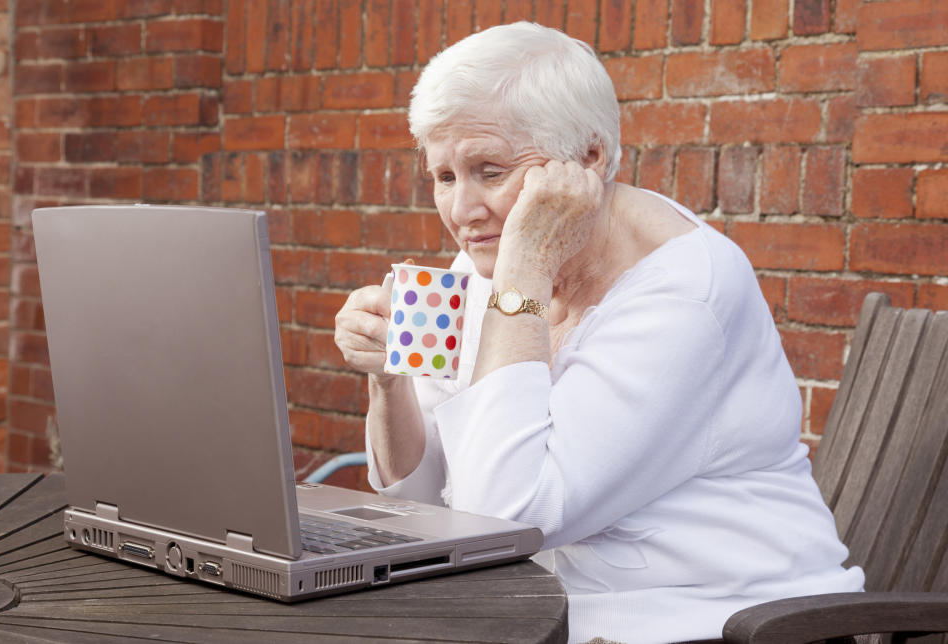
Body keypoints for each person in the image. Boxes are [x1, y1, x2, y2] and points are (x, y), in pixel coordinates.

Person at [333, 21, 863, 644]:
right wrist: (387, 380)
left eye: (490, 170)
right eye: (445, 177)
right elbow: (420, 498)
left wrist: (524, 273)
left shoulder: (683, 293)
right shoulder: (485, 270)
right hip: (557, 618)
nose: (461, 211)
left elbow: (504, 518)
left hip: (726, 623)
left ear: (589, 158)